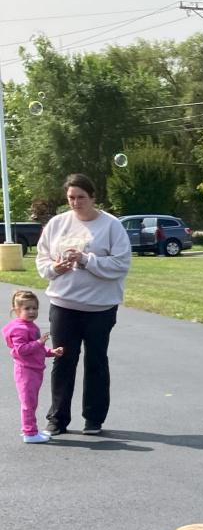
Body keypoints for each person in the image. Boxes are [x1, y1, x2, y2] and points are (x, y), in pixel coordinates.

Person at [34, 172, 131, 436]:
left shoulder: (111, 226)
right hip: (64, 304)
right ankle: (57, 418)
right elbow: (42, 260)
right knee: (63, 360)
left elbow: (121, 264)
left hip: (100, 308)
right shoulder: (57, 224)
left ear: (93, 197)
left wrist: (87, 260)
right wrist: (56, 267)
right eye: (71, 198)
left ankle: (94, 417)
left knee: (96, 361)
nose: (76, 203)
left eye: (81, 197)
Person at [4, 289, 64, 443]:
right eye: (27, 308)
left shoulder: (30, 325)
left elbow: (37, 350)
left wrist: (51, 351)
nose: (32, 311)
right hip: (26, 371)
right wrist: (39, 342)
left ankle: (32, 430)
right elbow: (21, 350)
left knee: (32, 402)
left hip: (34, 370)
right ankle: (30, 433)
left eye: (34, 308)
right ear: (16, 310)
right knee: (28, 403)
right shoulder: (20, 329)